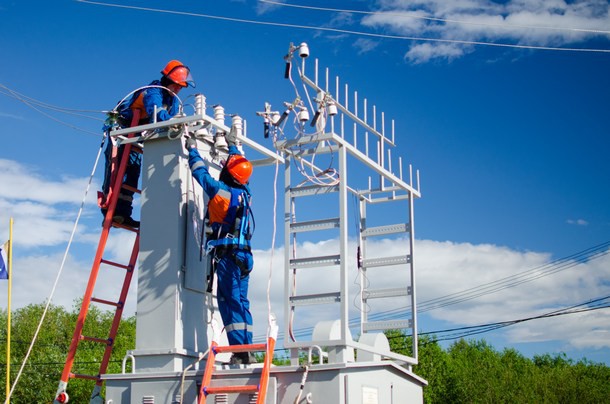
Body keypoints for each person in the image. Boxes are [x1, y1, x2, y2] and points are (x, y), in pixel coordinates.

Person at [185, 135, 256, 365]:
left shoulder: (220, 193)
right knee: (241, 302)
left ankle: (240, 350)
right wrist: (232, 145)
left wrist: (193, 149)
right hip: (245, 256)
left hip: (229, 256)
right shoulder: (246, 193)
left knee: (229, 300)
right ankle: (247, 345)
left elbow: (200, 174)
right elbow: (239, 171)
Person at [100, 60, 195, 227]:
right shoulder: (153, 91)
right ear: (168, 80)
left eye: (181, 87)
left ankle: (123, 213)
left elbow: (171, 117)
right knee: (115, 169)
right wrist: (171, 122)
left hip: (136, 135)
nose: (178, 89)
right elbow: (156, 113)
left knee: (133, 172)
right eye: (177, 85)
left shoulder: (172, 100)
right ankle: (108, 210)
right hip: (122, 131)